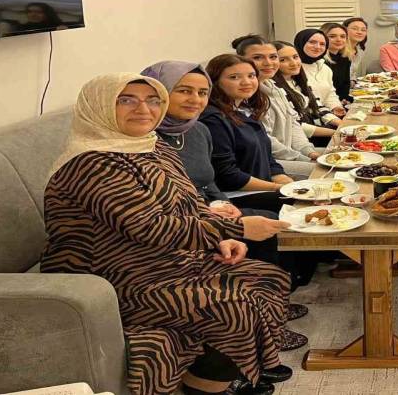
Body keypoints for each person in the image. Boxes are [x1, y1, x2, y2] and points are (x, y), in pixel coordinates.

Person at [40, 73, 296, 395]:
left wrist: (221, 239)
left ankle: (213, 378)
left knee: (267, 279)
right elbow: (148, 226)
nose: (143, 109)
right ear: (100, 106)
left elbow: (189, 201)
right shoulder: (91, 163)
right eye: (126, 100)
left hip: (162, 260)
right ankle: (208, 387)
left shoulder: (152, 145)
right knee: (233, 305)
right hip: (110, 277)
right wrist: (239, 228)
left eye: (152, 100)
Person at [141, 60, 317, 309]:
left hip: (211, 203)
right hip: (187, 214)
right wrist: (212, 210)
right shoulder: (147, 139)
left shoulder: (197, 129)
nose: (195, 99)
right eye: (183, 91)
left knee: (295, 202)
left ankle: (284, 288)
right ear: (159, 93)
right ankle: (270, 297)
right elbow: (218, 179)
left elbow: (209, 178)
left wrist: (220, 203)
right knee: (271, 216)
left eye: (202, 92)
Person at [200, 54, 293, 207]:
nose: (246, 82)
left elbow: (268, 158)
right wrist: (277, 188)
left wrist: (285, 180)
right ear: (215, 82)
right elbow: (227, 176)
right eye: (234, 77)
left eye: (251, 76)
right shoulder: (213, 119)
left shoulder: (246, 110)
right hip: (233, 195)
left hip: (260, 186)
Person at [232, 35, 318, 179]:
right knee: (326, 172)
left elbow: (293, 123)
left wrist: (309, 152)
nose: (268, 63)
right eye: (258, 58)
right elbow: (265, 140)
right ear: (241, 61)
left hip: (289, 153)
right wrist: (302, 158)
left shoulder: (274, 86)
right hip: (268, 160)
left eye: (273, 57)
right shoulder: (246, 94)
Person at [273, 41, 338, 147]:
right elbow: (295, 126)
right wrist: (335, 132)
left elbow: (316, 106)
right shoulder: (276, 89)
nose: (293, 63)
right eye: (283, 60)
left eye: (295, 57)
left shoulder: (297, 81)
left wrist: (340, 124)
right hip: (301, 142)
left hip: (316, 132)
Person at [294, 28, 346, 119]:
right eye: (312, 42)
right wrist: (331, 118)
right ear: (301, 42)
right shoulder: (293, 69)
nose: (317, 47)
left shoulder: (324, 68)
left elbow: (329, 93)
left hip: (326, 116)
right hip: (305, 120)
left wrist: (335, 107)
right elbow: (306, 103)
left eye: (322, 44)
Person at [321, 22, 354, 103]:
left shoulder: (345, 58)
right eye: (332, 36)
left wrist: (344, 99)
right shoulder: (320, 60)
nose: (339, 40)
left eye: (342, 36)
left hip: (340, 100)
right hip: (325, 102)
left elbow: (345, 83)